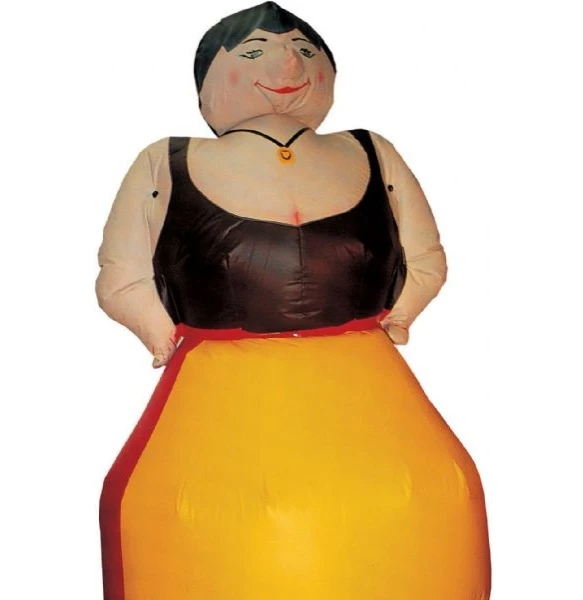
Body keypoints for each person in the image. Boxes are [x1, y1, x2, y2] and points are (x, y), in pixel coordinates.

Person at [96, 2, 492, 599]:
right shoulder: (166, 158)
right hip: (222, 385)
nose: (287, 65)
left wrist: (401, 316)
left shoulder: (372, 149)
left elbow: (426, 256)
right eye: (253, 51)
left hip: (368, 381)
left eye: (306, 51)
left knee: (420, 506)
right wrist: (159, 333)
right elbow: (121, 272)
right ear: (207, 80)